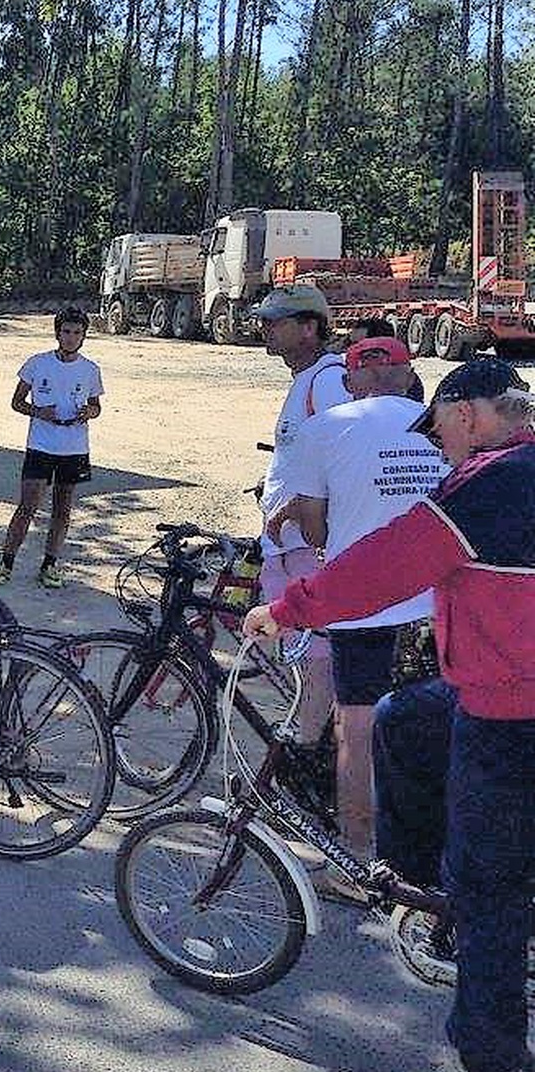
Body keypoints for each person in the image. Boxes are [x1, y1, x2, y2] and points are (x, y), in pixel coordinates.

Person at [245, 358, 535, 1072]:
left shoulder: (497, 481)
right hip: (484, 689)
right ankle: (423, 889)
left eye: (440, 431)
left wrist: (287, 611)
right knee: (406, 716)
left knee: (491, 888)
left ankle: (490, 1048)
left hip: (510, 710)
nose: (439, 448)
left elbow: (388, 564)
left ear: (468, 413)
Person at [263, 336, 447, 869]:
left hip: (361, 604)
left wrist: (298, 511)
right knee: (424, 724)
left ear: (352, 379)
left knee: (357, 730)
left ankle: (357, 856)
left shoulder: (326, 429)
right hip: (435, 603)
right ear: (407, 374)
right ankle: (422, 845)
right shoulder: (443, 425)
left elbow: (318, 528)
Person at [253, 283, 351, 751]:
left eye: (277, 321)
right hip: (287, 540)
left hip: (307, 541)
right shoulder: (306, 379)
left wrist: (301, 512)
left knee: (317, 647)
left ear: (309, 328)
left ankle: (310, 742)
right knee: (300, 644)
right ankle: (312, 728)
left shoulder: (328, 379)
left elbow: (342, 459)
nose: (265, 328)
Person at [0, 307, 103, 589]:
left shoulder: (90, 369)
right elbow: (16, 402)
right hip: (41, 445)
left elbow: (97, 406)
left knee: (62, 509)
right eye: (66, 332)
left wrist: (89, 412)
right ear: (57, 333)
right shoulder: (37, 364)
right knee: (27, 506)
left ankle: (50, 566)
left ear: (84, 336)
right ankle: (6, 563)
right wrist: (39, 412)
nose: (71, 338)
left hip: (74, 447)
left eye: (77, 333)